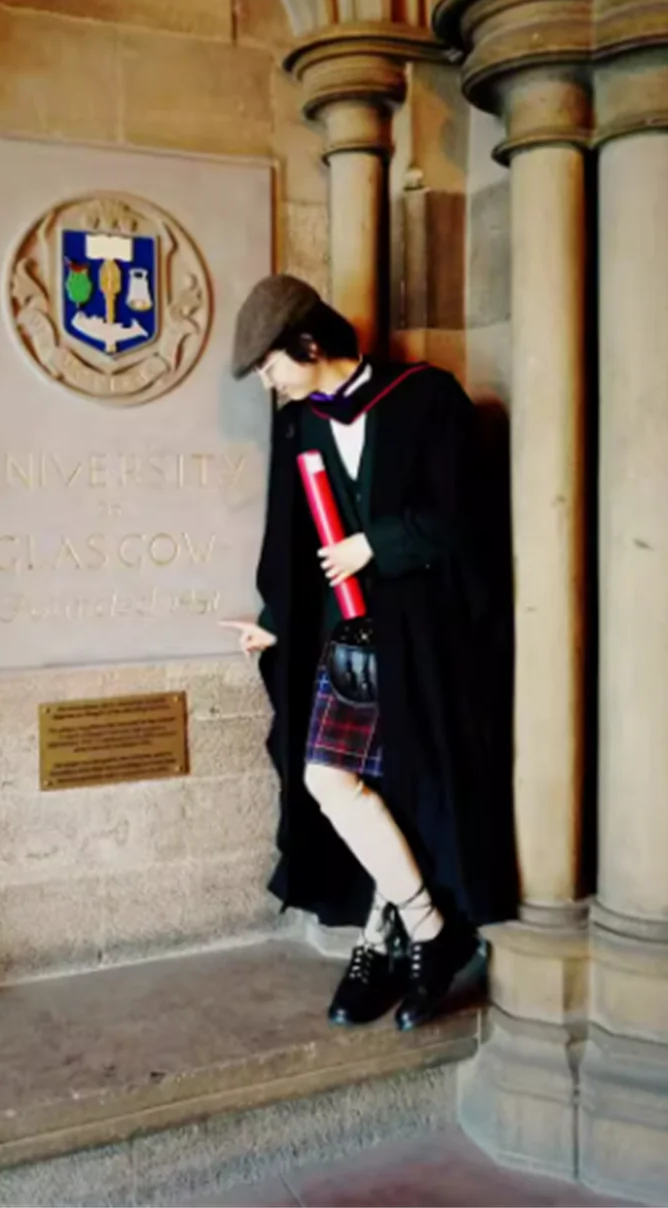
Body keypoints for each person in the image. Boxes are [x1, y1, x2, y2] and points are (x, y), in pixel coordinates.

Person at [220, 274, 517, 1030]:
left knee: (407, 787)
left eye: (270, 365)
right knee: (331, 779)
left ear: (309, 346)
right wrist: (277, 621)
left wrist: (372, 545)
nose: (268, 382)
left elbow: (467, 516)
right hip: (344, 638)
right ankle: (426, 929)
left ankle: (390, 941)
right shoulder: (302, 425)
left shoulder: (426, 400)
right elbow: (288, 538)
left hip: (422, 634)